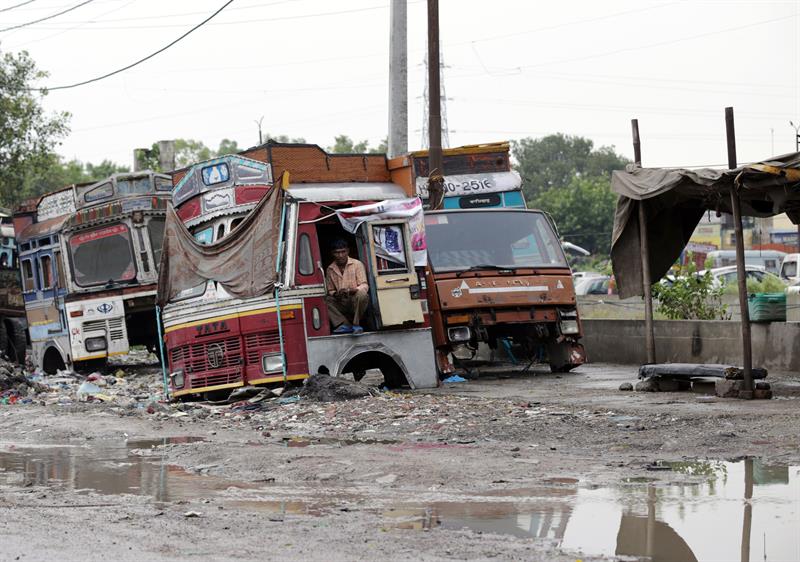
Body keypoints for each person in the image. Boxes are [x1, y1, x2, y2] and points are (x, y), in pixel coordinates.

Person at [325, 239, 369, 334]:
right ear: (332, 253)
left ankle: (356, 324)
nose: (340, 255)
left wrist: (352, 290)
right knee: (326, 300)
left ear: (347, 251)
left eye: (343, 252)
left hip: (355, 300)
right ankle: (345, 325)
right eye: (337, 253)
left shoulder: (357, 264)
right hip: (341, 301)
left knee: (362, 294)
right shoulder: (330, 269)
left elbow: (364, 285)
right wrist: (336, 294)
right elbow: (330, 290)